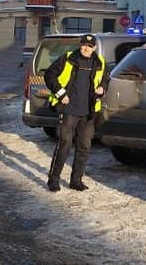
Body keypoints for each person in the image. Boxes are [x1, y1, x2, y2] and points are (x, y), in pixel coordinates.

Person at [44, 34, 110, 192]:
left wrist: (102, 88)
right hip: (69, 109)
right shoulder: (67, 58)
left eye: (89, 46)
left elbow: (106, 79)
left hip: (88, 112)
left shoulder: (100, 62)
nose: (85, 48)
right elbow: (49, 75)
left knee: (84, 147)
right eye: (83, 45)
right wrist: (60, 93)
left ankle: (76, 180)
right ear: (80, 45)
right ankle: (53, 180)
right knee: (64, 145)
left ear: (94, 48)